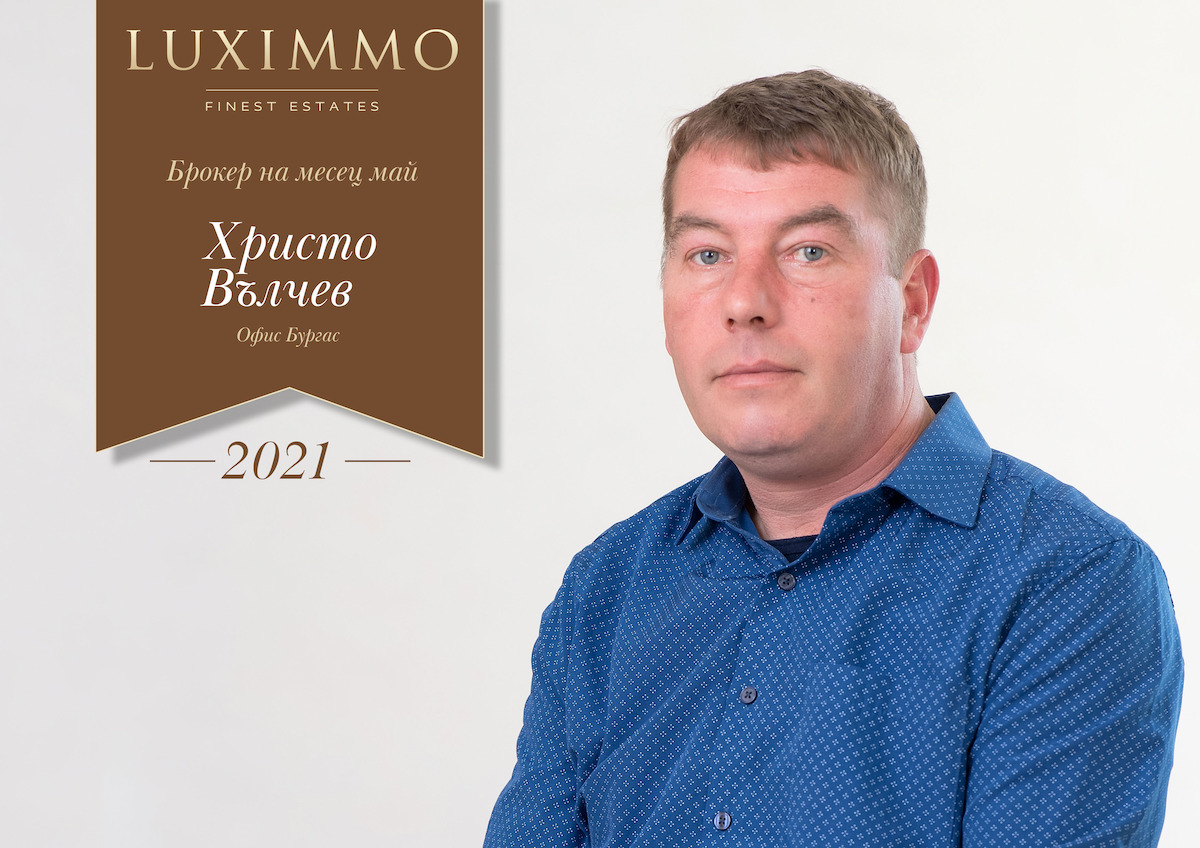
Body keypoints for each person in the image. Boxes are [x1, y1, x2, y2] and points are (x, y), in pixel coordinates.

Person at [483, 70, 1183, 847]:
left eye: (807, 251)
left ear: (912, 301)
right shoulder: (607, 589)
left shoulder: (1067, 581)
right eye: (707, 254)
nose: (745, 301)